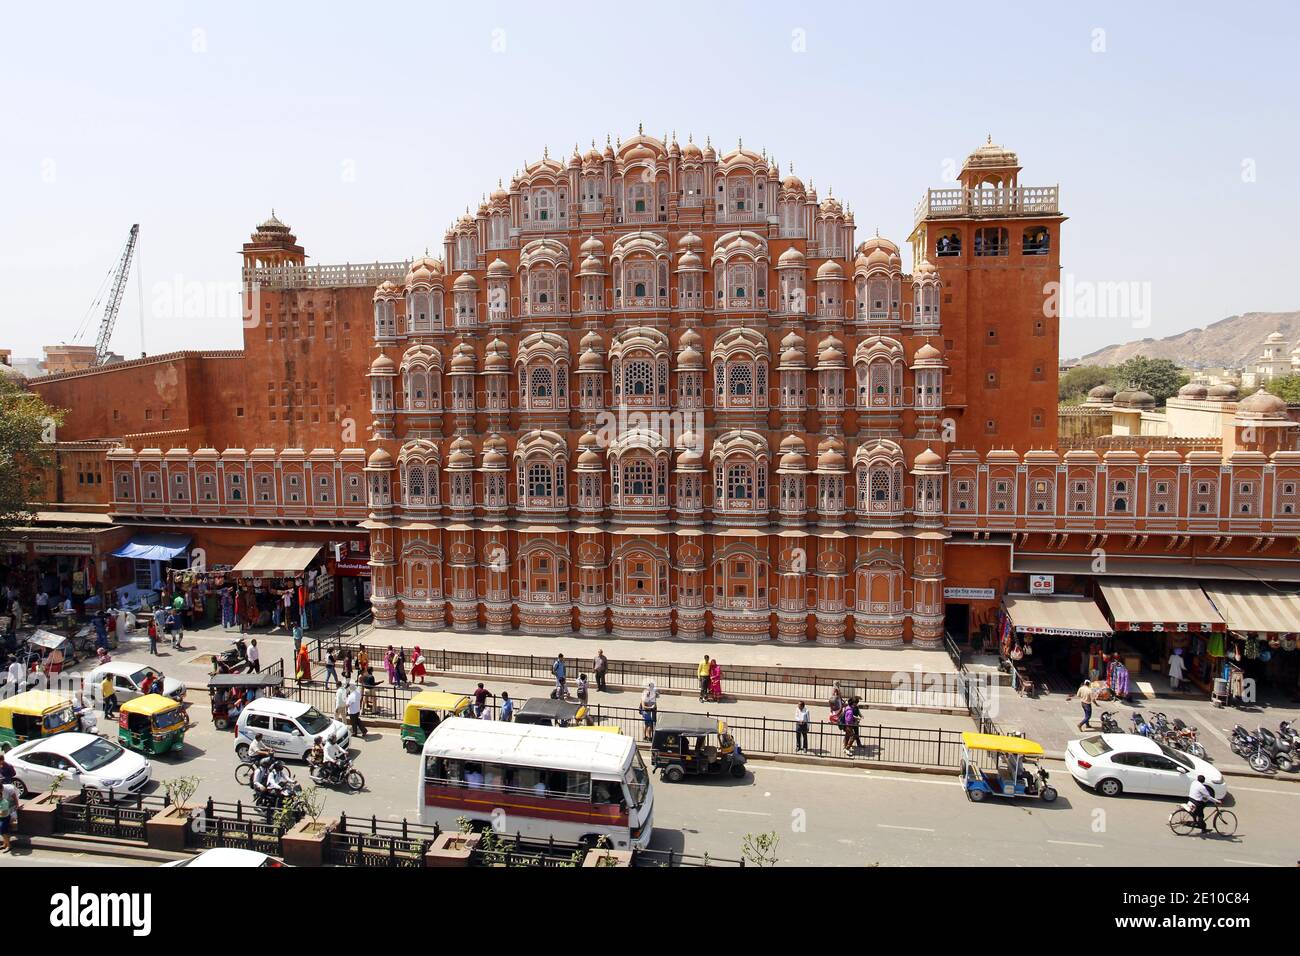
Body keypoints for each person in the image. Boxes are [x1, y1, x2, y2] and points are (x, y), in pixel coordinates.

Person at [0, 779, 18, 853]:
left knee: (4, 832)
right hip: (2, 818)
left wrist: (17, 805)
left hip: (4, 818)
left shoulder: (4, 802)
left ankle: (9, 846)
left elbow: (3, 813)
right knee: (3, 832)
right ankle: (5, 844)